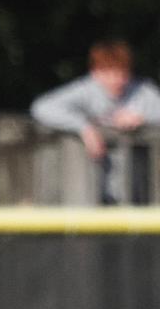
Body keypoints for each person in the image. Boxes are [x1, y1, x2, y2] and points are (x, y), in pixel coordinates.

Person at [30, 40, 160, 202]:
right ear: (95, 72)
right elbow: (42, 107)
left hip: (138, 189)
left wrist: (142, 118)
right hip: (90, 186)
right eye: (109, 72)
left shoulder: (143, 92)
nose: (116, 79)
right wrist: (84, 127)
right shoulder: (85, 90)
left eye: (122, 72)